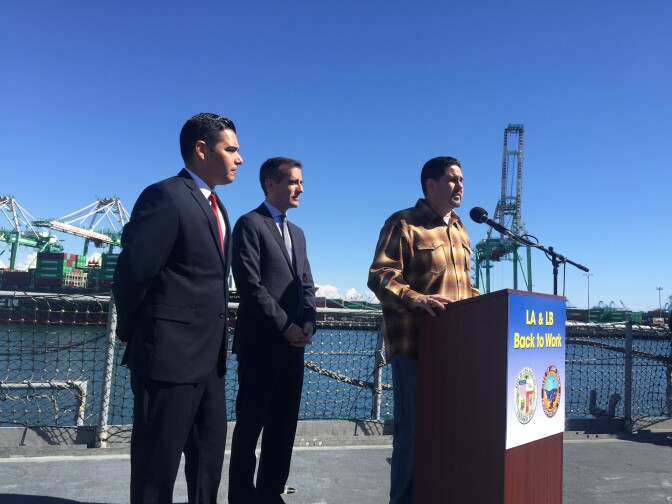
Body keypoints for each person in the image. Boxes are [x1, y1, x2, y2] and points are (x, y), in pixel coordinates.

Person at [112, 113, 243, 504]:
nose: (239, 159)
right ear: (202, 149)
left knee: (207, 465)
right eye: (231, 149)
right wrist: (135, 333)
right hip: (167, 359)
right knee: (157, 469)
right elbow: (132, 274)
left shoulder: (220, 209)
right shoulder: (165, 196)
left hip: (210, 363)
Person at [367, 156, 480, 504]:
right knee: (413, 437)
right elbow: (380, 276)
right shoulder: (404, 223)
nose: (460, 185)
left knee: (450, 435)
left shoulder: (460, 228)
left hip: (456, 350)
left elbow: (465, 288)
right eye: (452, 179)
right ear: (430, 185)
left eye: (462, 179)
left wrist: (485, 307)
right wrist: (416, 299)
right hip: (417, 349)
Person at [228, 157, 316, 504]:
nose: (301, 188)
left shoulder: (298, 233)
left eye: (300, 182)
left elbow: (307, 283)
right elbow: (249, 286)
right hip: (261, 346)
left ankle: (270, 492)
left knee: (283, 428)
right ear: (270, 185)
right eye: (294, 182)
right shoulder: (249, 224)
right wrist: (286, 327)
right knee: (250, 426)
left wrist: (309, 321)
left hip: (294, 347)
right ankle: (241, 496)